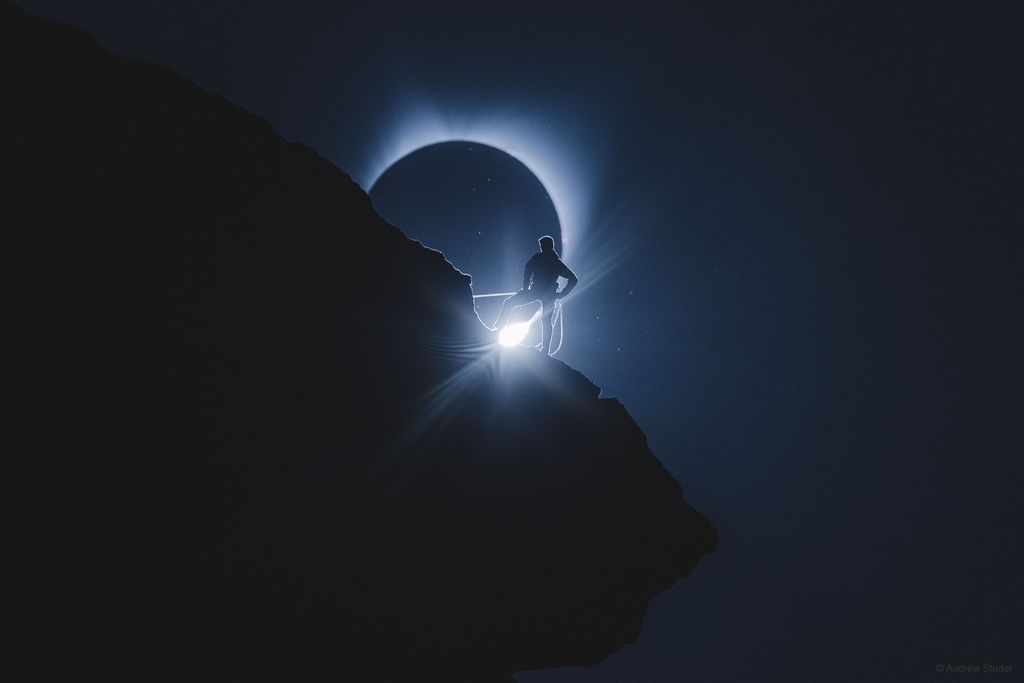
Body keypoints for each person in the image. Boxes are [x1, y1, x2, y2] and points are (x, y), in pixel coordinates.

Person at [493, 235, 578, 354]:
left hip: (539, 292)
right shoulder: (556, 263)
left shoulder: (542, 259)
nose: (542, 248)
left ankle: (498, 329)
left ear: (548, 246)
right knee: (545, 321)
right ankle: (545, 350)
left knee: (510, 304)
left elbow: (527, 269)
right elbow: (573, 279)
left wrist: (526, 288)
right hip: (545, 294)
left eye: (543, 246)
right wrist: (562, 294)